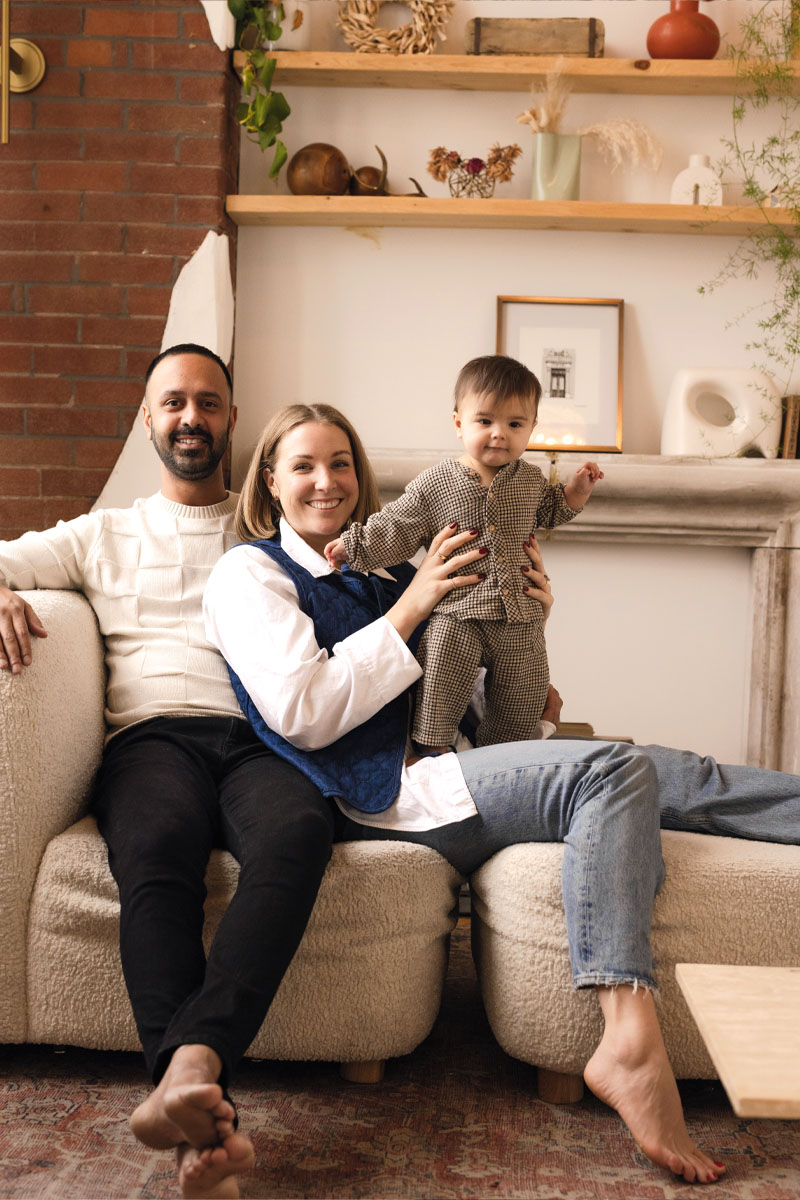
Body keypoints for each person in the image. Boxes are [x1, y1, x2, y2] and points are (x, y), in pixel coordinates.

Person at [202, 401, 729, 1185]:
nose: (327, 481)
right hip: (391, 794)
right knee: (612, 768)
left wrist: (528, 628)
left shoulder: (390, 568)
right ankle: (627, 1037)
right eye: (304, 465)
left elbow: (464, 685)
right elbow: (304, 712)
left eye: (342, 463)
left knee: (680, 772)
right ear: (269, 481)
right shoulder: (251, 572)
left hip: (467, 762)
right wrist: (417, 601)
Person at [0, 345, 340, 1199]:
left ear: (232, 420)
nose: (192, 418)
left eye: (210, 403)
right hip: (151, 742)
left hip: (264, 740)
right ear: (149, 418)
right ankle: (195, 1106)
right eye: (174, 403)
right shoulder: (102, 533)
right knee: (157, 849)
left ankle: (189, 1071)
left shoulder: (274, 530)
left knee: (301, 832)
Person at [325, 355, 603, 753]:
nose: (499, 434)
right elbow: (399, 523)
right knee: (439, 682)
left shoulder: (530, 479)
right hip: (457, 614)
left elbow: (552, 509)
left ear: (532, 429)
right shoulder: (436, 482)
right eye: (485, 421)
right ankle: (431, 750)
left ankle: (506, 761)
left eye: (515, 424)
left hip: (519, 615)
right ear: (458, 423)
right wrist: (354, 545)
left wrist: (577, 490)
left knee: (523, 696)